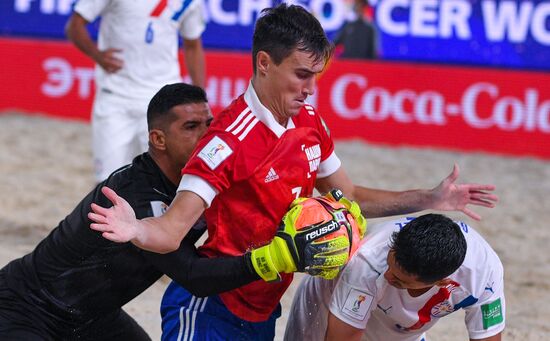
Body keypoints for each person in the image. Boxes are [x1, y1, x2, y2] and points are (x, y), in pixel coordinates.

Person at [88, 4, 498, 339]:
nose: (310, 88)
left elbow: (348, 196)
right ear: (264, 63)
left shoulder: (310, 123)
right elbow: (171, 231)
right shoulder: (227, 141)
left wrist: (429, 198)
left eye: (316, 76)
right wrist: (135, 228)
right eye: (301, 74)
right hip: (211, 308)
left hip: (264, 308)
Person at [0, 83, 271, 340]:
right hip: (27, 306)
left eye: (209, 124)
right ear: (158, 139)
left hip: (93, 316)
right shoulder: (133, 197)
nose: (206, 135)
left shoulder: (201, 182)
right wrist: (270, 260)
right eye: (191, 127)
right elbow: (193, 275)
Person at [284, 214, 505, 341]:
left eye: (400, 280)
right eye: (390, 263)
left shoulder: (484, 274)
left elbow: (487, 336)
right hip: (330, 307)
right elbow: (342, 338)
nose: (388, 276)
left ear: (442, 281)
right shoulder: (368, 262)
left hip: (402, 331)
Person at [65, 0, 206, 182]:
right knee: (107, 182)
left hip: (164, 102)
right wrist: (97, 55)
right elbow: (74, 26)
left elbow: (193, 45)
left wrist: (199, 98)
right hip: (116, 96)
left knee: (163, 180)